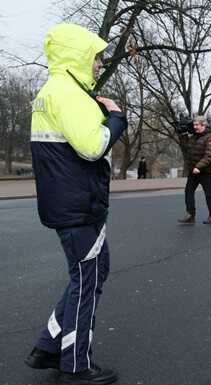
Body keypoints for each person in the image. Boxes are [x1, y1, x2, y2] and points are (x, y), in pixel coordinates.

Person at [26, 23, 127, 385]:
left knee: (90, 273)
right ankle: (76, 364)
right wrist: (117, 118)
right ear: (79, 55)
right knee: (87, 280)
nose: (99, 63)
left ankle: (47, 346)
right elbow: (93, 146)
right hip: (79, 206)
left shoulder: (54, 91)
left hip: (68, 203)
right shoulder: (67, 94)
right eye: (95, 56)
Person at [177, 115, 211, 225]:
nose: (195, 127)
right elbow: (186, 147)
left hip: (206, 170)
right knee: (188, 191)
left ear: (203, 125)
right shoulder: (194, 137)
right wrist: (182, 134)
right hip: (194, 170)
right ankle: (190, 215)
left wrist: (198, 167)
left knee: (208, 193)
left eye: (197, 125)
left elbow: (209, 156)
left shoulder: (210, 137)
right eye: (194, 125)